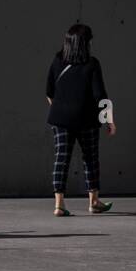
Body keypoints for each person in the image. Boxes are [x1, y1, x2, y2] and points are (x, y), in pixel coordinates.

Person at [45, 23, 116, 216]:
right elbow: (100, 95)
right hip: (87, 120)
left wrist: (62, 110)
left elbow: (49, 92)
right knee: (90, 160)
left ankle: (59, 205)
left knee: (61, 159)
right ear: (85, 43)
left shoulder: (57, 61)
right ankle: (93, 202)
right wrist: (109, 121)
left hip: (60, 119)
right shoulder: (92, 64)